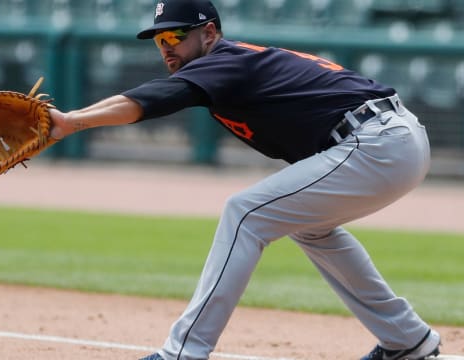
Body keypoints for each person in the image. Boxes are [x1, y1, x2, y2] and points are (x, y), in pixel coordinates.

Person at [49, 1, 441, 359]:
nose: (166, 46)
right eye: (159, 40)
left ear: (209, 34)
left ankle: (182, 353)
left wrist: (71, 122)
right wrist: (72, 119)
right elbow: (140, 94)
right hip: (387, 140)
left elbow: (149, 100)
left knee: (245, 213)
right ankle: (406, 340)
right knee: (311, 230)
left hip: (375, 142)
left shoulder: (225, 60)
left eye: (175, 36)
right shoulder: (224, 64)